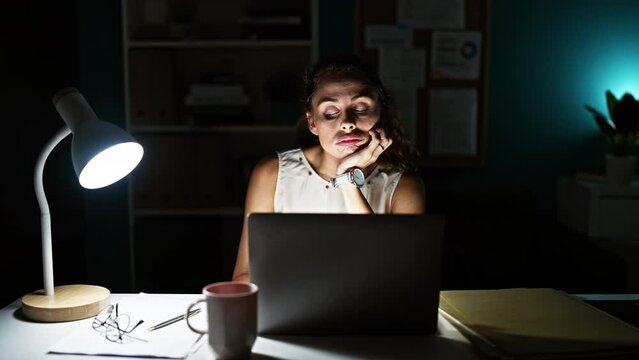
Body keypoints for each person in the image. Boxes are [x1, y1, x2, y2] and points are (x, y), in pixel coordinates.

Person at [232, 53, 425, 282]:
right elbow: (244, 276)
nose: (346, 122)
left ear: (380, 114)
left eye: (361, 108)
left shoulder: (404, 187)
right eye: (331, 112)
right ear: (313, 123)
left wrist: (348, 180)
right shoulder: (271, 174)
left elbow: (394, 280)